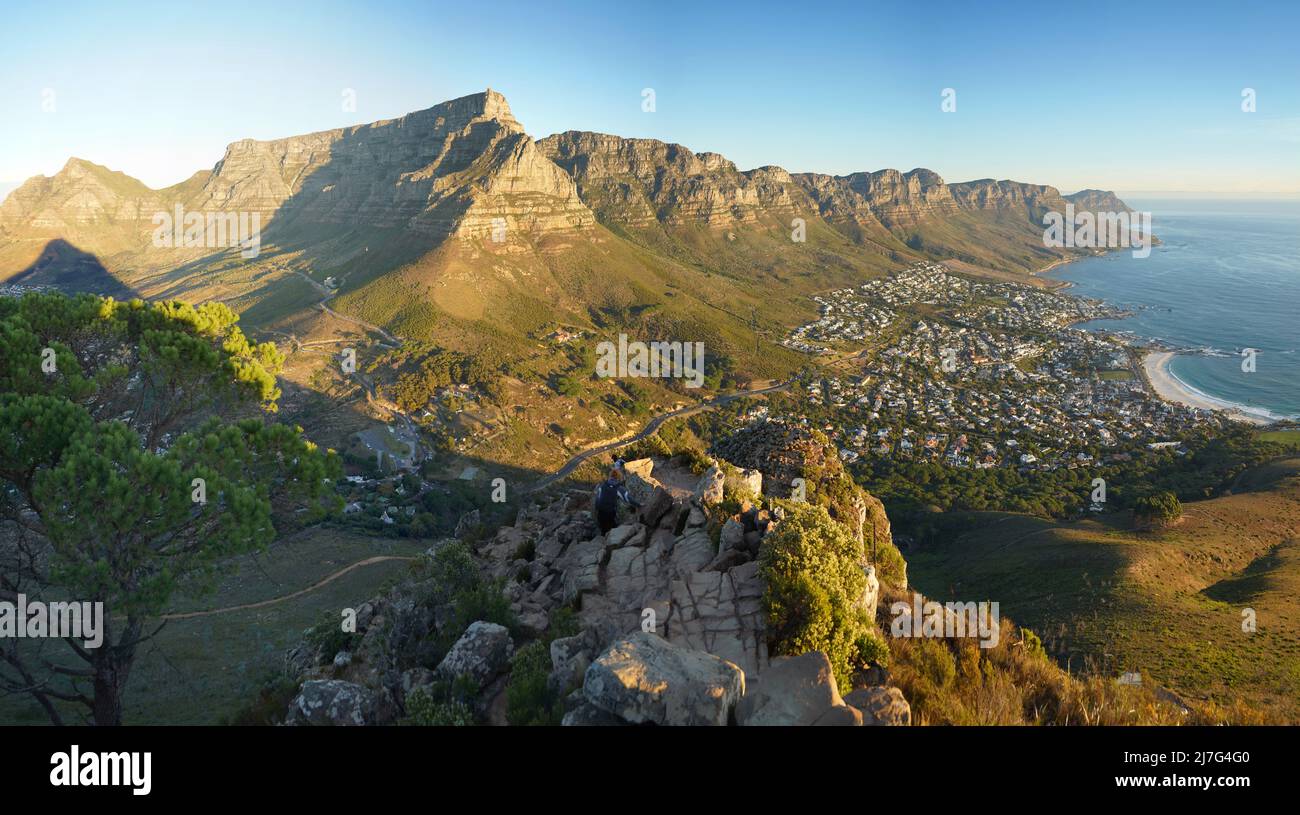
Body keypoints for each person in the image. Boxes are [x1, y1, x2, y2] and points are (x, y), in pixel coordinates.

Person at [594, 467, 640, 535]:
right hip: (610, 512)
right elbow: (628, 498)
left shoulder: (603, 485)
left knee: (603, 529)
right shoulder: (618, 488)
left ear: (610, 476)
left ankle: (602, 538)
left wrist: (597, 508)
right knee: (611, 528)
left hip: (600, 511)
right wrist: (639, 505)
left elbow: (598, 499)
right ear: (619, 478)